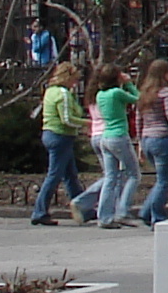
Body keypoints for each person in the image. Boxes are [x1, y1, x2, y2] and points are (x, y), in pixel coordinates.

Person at [31, 60, 88, 225]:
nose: (76, 83)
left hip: (51, 134)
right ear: (67, 77)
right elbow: (67, 119)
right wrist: (86, 123)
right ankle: (39, 211)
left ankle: (83, 208)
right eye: (75, 79)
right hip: (60, 136)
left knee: (70, 175)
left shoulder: (50, 91)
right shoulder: (62, 93)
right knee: (54, 175)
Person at [90, 64, 143, 228]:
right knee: (134, 174)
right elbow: (138, 99)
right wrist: (129, 84)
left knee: (110, 177)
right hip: (119, 136)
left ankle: (104, 216)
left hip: (105, 137)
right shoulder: (117, 93)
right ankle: (122, 211)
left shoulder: (100, 95)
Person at [135, 59, 168, 224]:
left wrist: (140, 144)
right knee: (165, 180)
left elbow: (138, 119)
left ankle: (146, 210)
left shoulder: (143, 94)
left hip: (147, 138)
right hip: (163, 138)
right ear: (164, 74)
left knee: (162, 178)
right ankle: (156, 215)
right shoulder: (165, 92)